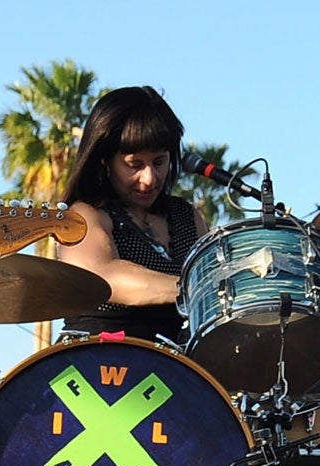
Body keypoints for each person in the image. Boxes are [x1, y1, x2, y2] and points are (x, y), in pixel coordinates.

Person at [55, 85, 207, 345]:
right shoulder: (84, 215)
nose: (149, 179)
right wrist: (196, 288)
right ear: (104, 160)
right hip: (96, 366)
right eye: (134, 165)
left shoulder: (186, 216)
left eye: (159, 162)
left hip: (178, 370)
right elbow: (104, 278)